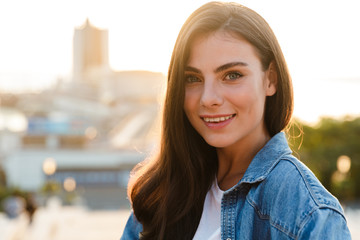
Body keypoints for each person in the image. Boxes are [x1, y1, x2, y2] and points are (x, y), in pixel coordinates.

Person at [121, 2, 351, 239]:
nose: (208, 98)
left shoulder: (309, 213)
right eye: (192, 78)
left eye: (232, 75)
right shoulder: (162, 193)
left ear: (270, 80)